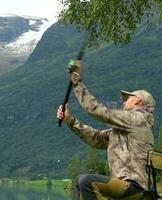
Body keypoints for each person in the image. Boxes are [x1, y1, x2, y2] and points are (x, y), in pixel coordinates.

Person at [57, 60, 156, 200]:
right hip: (123, 186)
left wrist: (77, 84)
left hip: (134, 187)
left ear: (138, 101)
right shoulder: (125, 128)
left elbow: (99, 111)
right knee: (80, 181)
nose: (124, 101)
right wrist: (70, 121)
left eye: (128, 98)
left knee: (86, 182)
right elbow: (96, 138)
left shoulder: (137, 120)